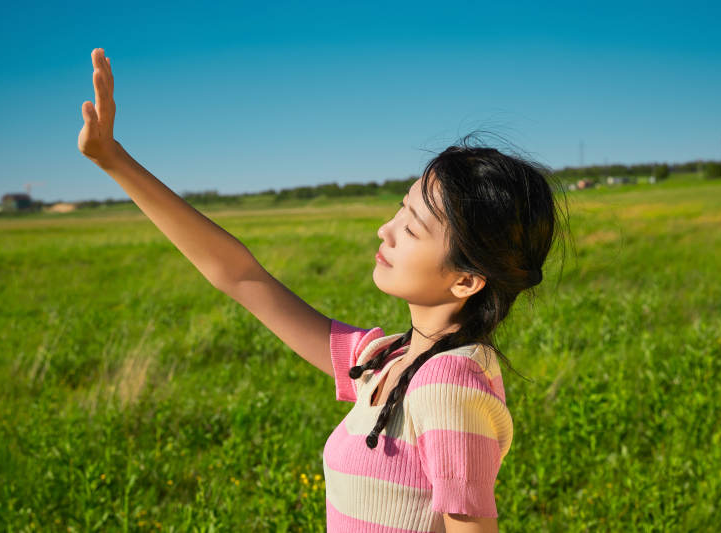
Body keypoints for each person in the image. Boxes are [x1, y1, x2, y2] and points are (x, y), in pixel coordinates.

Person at [79, 48, 568, 533]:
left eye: (413, 228)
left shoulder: (447, 385)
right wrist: (113, 159)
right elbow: (242, 277)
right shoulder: (385, 361)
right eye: (400, 208)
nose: (385, 229)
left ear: (466, 279)